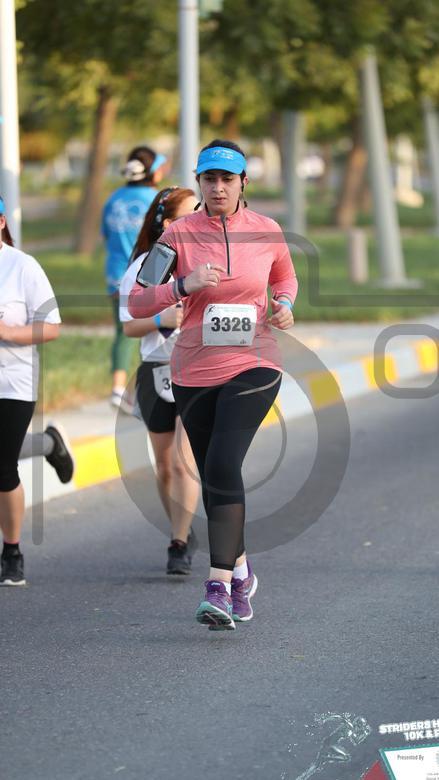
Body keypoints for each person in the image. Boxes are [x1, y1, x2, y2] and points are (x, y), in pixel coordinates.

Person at [128, 139, 297, 631]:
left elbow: (285, 279)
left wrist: (285, 305)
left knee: (223, 465)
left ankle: (218, 585)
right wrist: (183, 285)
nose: (218, 188)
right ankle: (241, 574)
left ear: (244, 182)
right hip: (193, 371)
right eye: (209, 179)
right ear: (199, 183)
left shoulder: (266, 230)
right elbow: (138, 301)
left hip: (255, 363)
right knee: (214, 477)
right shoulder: (177, 235)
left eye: (227, 179)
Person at [119, 186, 199, 574]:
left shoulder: (206, 261)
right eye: (188, 214)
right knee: (165, 466)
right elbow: (129, 326)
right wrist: (160, 319)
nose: (197, 219)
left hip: (196, 369)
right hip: (156, 368)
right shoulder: (145, 268)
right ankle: (180, 526)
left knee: (183, 461)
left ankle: (178, 543)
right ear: (168, 224)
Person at [0, 197, 62, 586]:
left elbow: (51, 327)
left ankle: (12, 551)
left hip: (12, 382)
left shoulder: (21, 267)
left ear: (1, 221)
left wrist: (7, 332)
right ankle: (48, 444)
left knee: (3, 466)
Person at [101, 145, 168, 410]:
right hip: (148, 274)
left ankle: (117, 389)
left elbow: (106, 235)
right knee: (151, 332)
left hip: (115, 274)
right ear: (153, 172)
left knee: (123, 331)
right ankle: (147, 390)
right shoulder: (157, 200)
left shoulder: (113, 198)